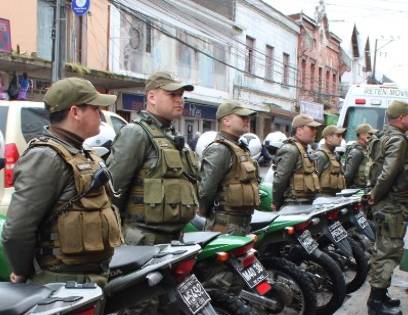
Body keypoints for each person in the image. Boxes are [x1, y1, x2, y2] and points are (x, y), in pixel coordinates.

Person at [2, 78, 122, 288]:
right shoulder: (46, 157)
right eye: (95, 108)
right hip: (59, 283)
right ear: (75, 112)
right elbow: (17, 230)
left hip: (88, 279)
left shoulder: (83, 153)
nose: (100, 114)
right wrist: (22, 272)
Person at [107, 71, 198, 245]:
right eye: (172, 94)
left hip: (174, 241)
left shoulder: (172, 136)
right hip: (142, 242)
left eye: (181, 95)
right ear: (152, 97)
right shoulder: (136, 133)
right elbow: (113, 192)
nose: (179, 100)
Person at [365, 100, 408, 315]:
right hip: (392, 203)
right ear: (400, 118)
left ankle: (380, 294)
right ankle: (376, 301)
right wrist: (376, 195)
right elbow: (388, 172)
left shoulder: (382, 136)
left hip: (387, 202)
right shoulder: (397, 140)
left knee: (384, 247)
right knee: (389, 249)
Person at [197, 101, 260, 234]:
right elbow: (205, 191)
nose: (247, 120)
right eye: (242, 117)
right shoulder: (220, 149)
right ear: (226, 121)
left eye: (247, 117)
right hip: (224, 226)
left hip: (241, 225)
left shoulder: (239, 148)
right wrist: (205, 214)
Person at [272, 114, 321, 209]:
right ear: (299, 130)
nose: (315, 131)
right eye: (311, 128)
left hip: (305, 204)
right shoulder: (291, 150)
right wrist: (276, 203)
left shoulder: (305, 149)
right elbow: (280, 180)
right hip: (293, 206)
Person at [313, 125, 347, 197]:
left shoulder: (335, 155)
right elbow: (312, 180)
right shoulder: (320, 155)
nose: (341, 138)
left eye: (341, 136)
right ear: (329, 138)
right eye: (338, 136)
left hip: (333, 198)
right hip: (321, 199)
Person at [343, 122, 376, 190]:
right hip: (356, 188)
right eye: (370, 134)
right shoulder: (356, 152)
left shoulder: (366, 149)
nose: (372, 136)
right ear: (362, 135)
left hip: (364, 188)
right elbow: (348, 175)